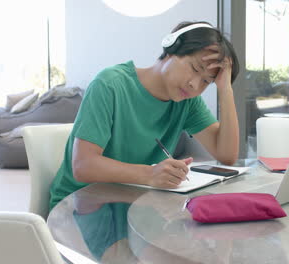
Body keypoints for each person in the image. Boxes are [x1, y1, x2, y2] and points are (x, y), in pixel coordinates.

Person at [49, 21, 240, 210]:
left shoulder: (186, 101)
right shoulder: (110, 84)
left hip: (132, 204)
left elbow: (227, 155)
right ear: (172, 48)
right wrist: (150, 174)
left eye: (207, 81)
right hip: (80, 206)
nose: (195, 85)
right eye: (195, 69)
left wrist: (225, 89)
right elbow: (83, 165)